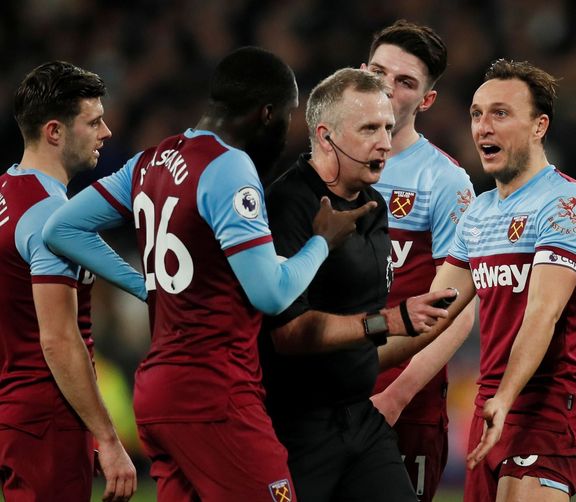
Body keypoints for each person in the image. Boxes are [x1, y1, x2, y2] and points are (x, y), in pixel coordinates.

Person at [43, 47, 376, 502]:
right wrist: (322, 241)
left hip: (158, 391)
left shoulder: (150, 161)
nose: (288, 128)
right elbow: (272, 295)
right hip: (214, 393)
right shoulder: (229, 166)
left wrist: (146, 285)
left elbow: (61, 228)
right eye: (288, 114)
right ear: (266, 113)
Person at [260, 67, 460, 502]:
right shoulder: (288, 204)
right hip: (295, 427)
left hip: (360, 419)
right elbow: (288, 336)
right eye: (370, 128)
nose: (385, 142)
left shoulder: (374, 204)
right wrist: (388, 321)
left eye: (388, 127)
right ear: (325, 135)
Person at [434, 59, 576, 501]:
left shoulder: (566, 203)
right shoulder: (478, 213)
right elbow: (431, 310)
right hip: (489, 406)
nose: (483, 127)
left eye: (501, 113)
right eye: (476, 114)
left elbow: (542, 315)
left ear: (538, 126)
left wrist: (506, 399)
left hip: (546, 405)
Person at [0, 61, 136, 502]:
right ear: (55, 132)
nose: (107, 132)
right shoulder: (49, 218)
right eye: (93, 121)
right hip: (47, 417)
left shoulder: (5, 194)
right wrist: (110, 439)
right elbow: (58, 338)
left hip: (15, 412)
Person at [361, 20, 476, 501]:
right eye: (378, 72)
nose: (386, 87)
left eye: (405, 81)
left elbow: (461, 309)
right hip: (324, 392)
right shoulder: (321, 164)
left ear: (425, 101)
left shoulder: (445, 182)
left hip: (401, 401)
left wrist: (397, 395)